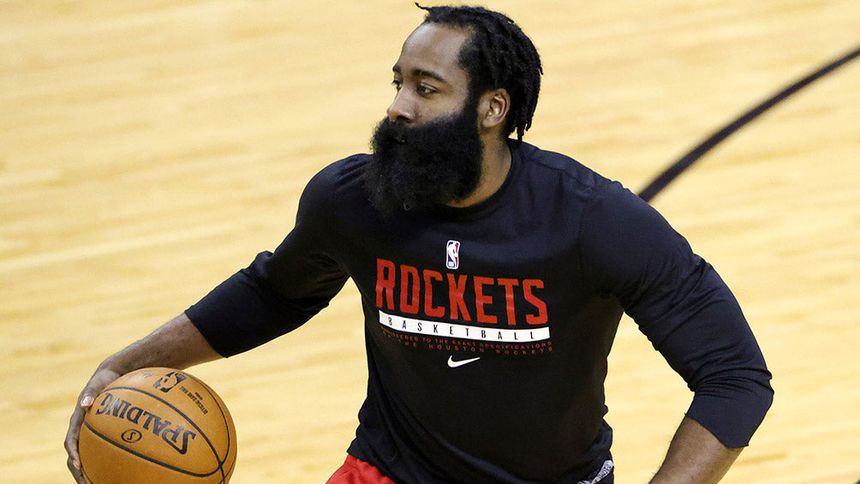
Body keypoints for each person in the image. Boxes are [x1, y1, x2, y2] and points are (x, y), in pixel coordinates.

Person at [65, 4, 773, 483]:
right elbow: (273, 294)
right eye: (399, 82)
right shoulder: (352, 200)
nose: (397, 106)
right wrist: (125, 365)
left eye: (427, 89)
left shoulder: (592, 220)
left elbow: (735, 377)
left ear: (491, 109)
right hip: (389, 471)